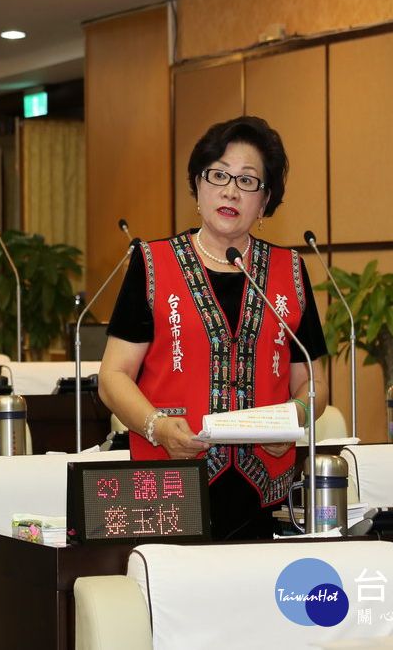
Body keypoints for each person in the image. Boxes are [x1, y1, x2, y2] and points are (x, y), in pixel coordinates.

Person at [98, 115, 327, 541]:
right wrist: (157, 427)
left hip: (264, 497)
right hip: (168, 487)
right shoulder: (152, 263)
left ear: (265, 200)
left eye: (247, 181)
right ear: (198, 185)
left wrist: (293, 420)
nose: (230, 191)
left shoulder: (289, 270)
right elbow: (112, 378)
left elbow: (312, 385)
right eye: (218, 175)